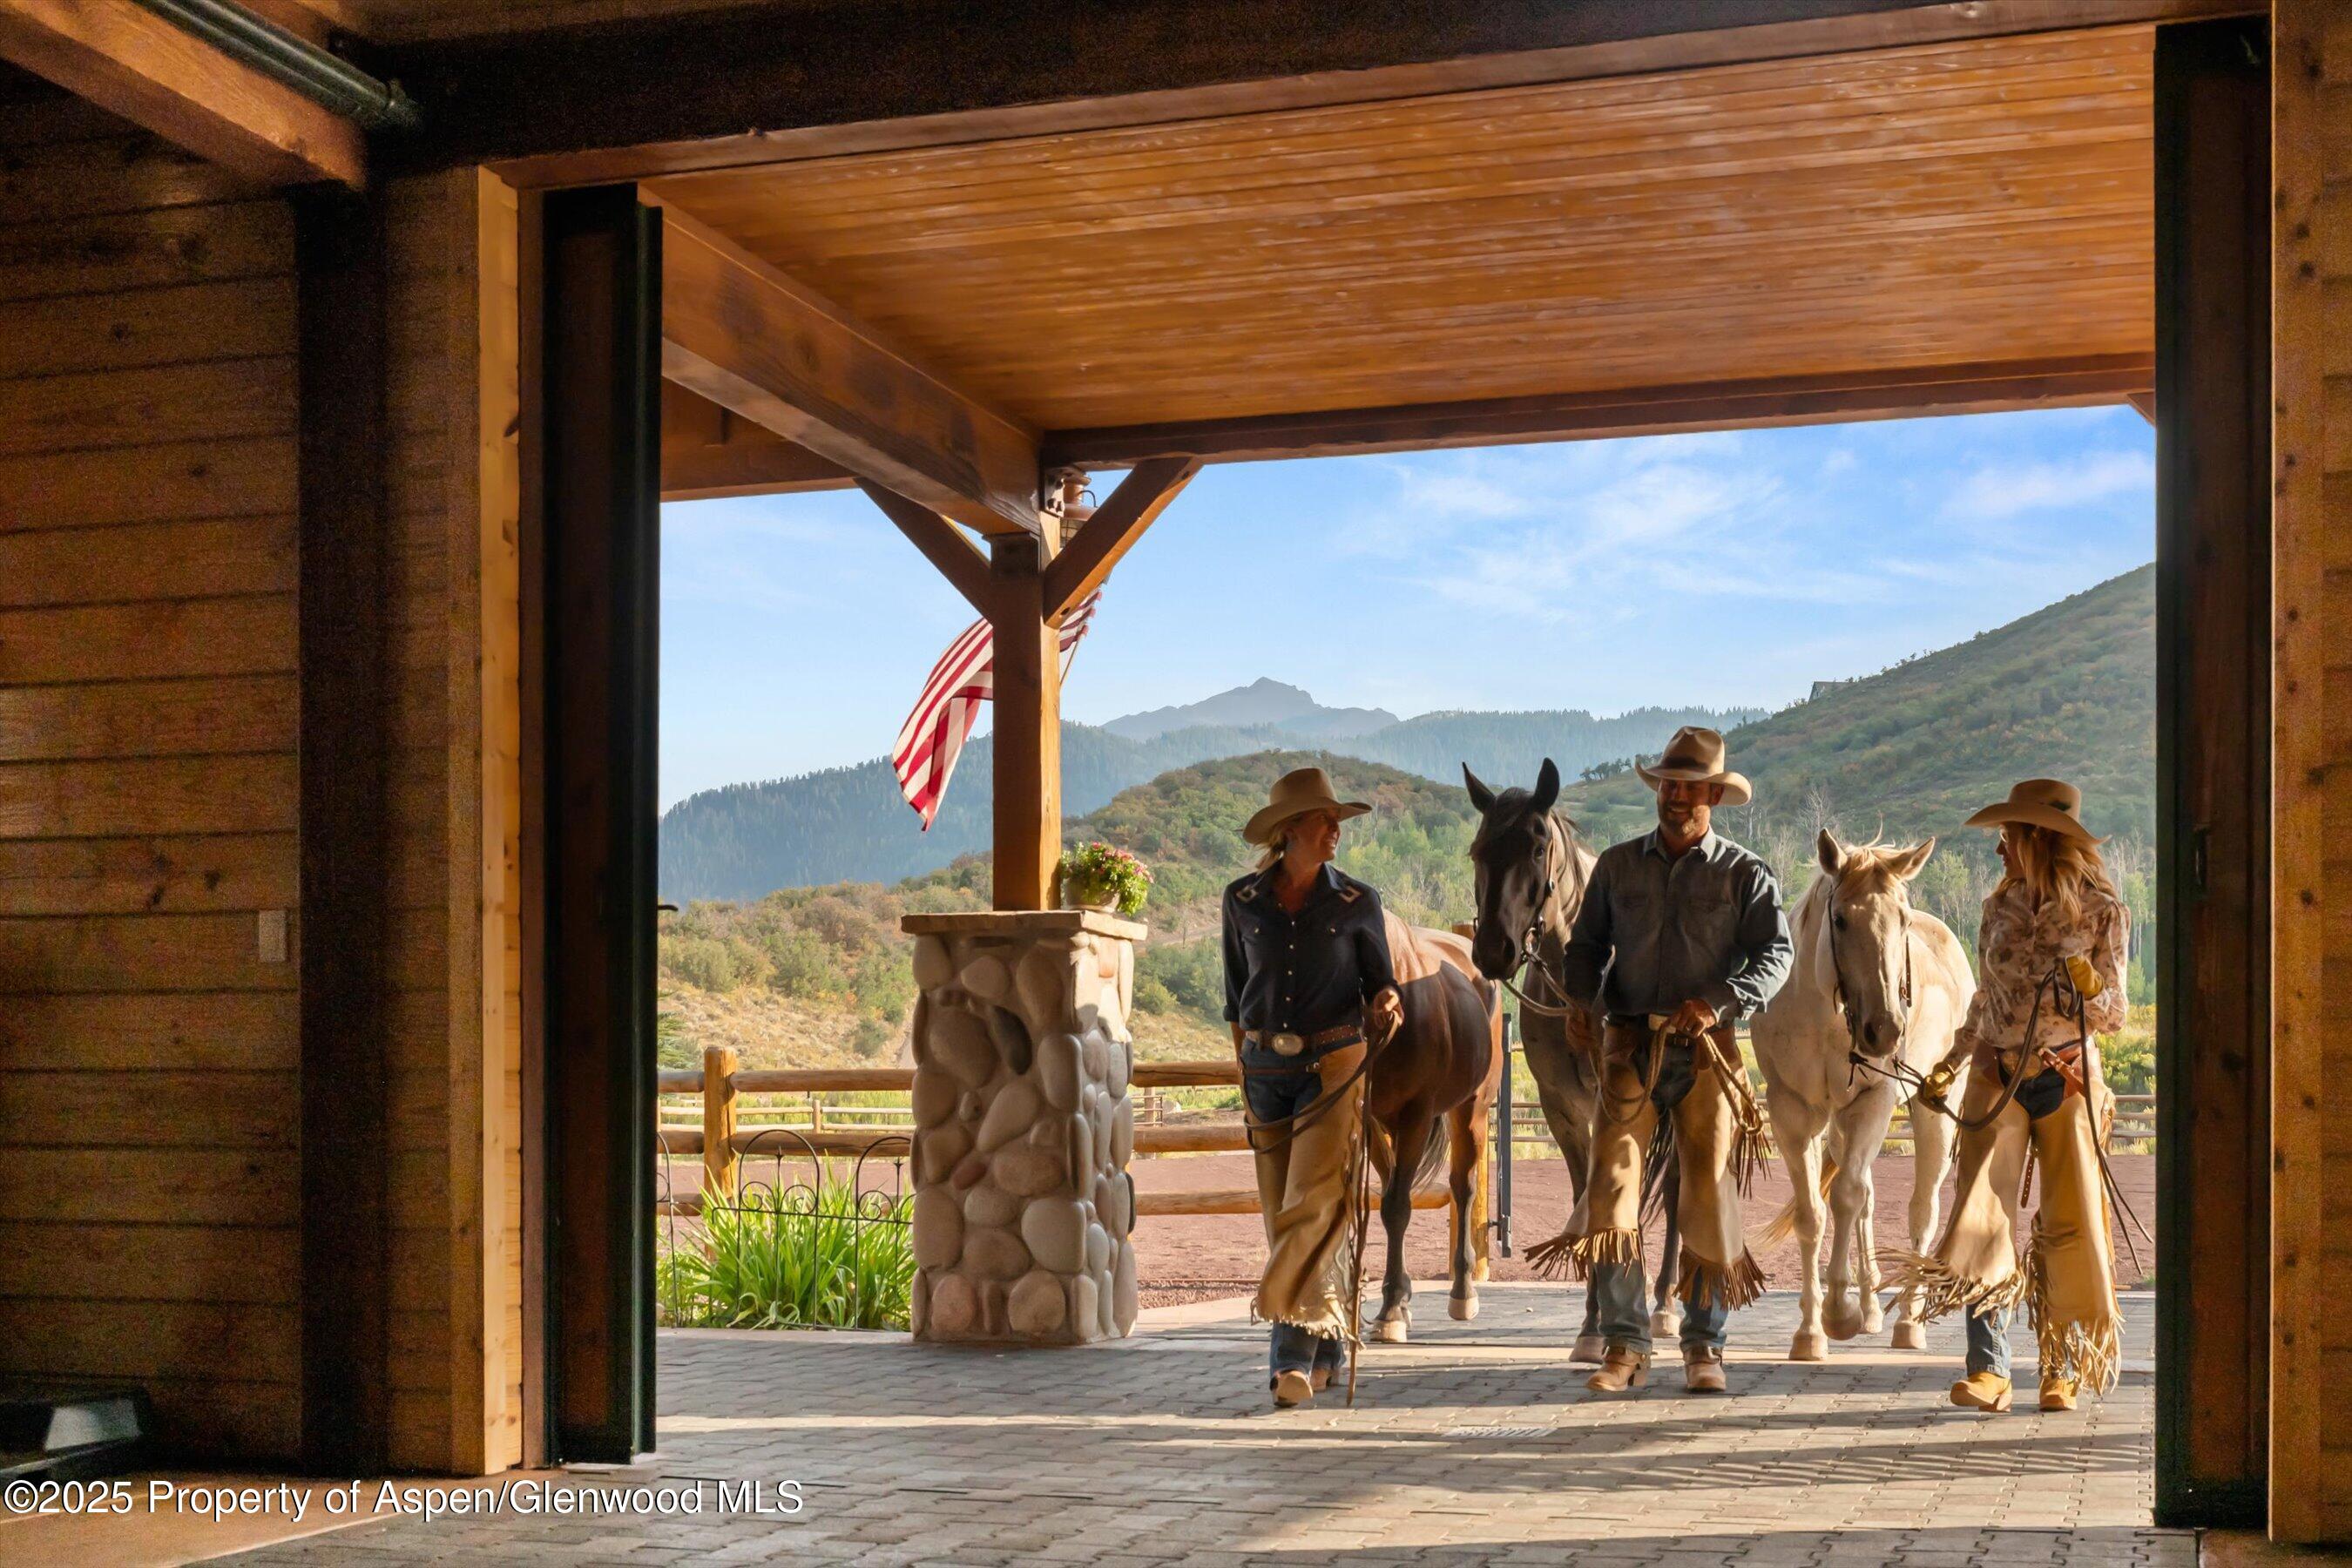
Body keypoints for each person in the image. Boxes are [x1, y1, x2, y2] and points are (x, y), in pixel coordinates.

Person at [1553, 727, 1793, 1395]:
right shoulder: (1618, 867)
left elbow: (1777, 956)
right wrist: (1581, 996)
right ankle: (1625, 1345)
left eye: (1689, 786)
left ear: (1714, 794)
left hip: (1708, 1054)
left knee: (1709, 1192)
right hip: (1629, 1046)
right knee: (1610, 1189)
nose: (1676, 796)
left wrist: (1720, 1001)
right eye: (1667, 784)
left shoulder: (1744, 872)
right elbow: (1586, 945)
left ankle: (1703, 1345)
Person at [1894, 780, 2129, 1414]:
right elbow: (1986, 999)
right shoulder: (1998, 907)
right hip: (1996, 1074)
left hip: (2069, 1078)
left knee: (2068, 1226)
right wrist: (1953, 1058)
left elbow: (2114, 1014)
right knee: (1980, 1219)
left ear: (2039, 838)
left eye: (2010, 834)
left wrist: (2087, 986)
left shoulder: (2102, 908)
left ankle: (2062, 1369)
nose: (2000, 848)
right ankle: (1988, 1370)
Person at [1221, 767, 1405, 1409]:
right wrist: (1241, 1065)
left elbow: (1381, 981)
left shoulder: (1358, 902)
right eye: (1325, 821)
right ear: (1289, 830)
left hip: (1333, 1066)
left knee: (1310, 1205)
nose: (1335, 831)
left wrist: (1387, 1002)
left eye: (1336, 823)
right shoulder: (1240, 901)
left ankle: (1289, 1362)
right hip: (1262, 1070)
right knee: (1286, 1217)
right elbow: (1234, 996)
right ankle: (1325, 1341)